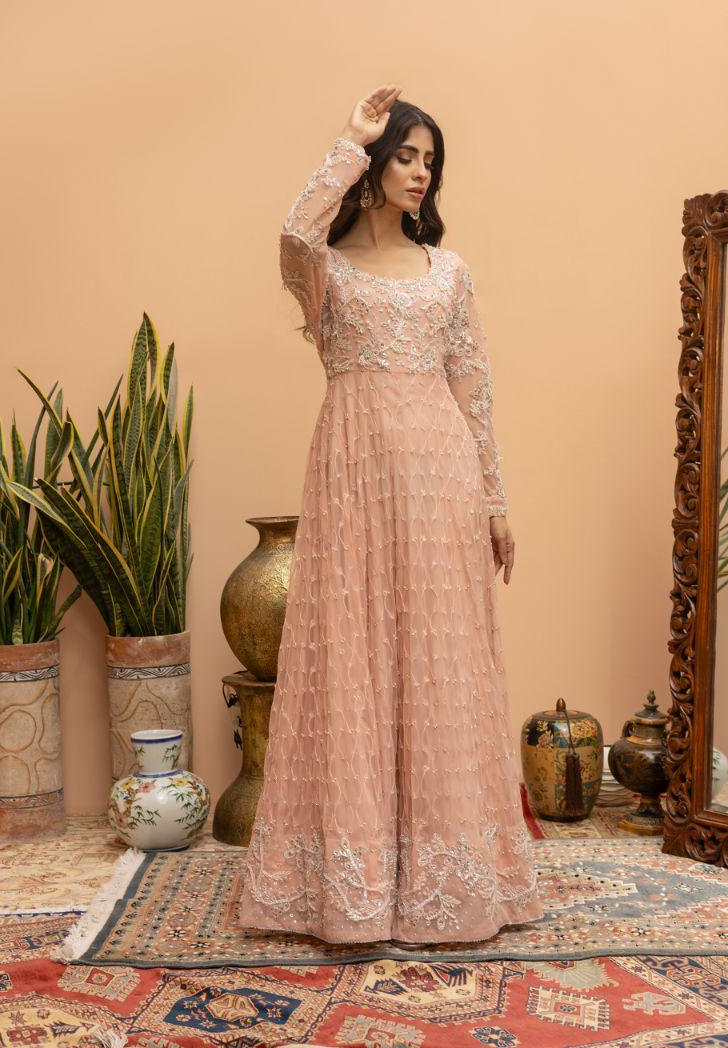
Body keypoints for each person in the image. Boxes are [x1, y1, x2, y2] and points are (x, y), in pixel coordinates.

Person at [236, 85, 544, 945]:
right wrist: (350, 140)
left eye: (429, 161)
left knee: (440, 664)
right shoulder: (325, 273)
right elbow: (294, 233)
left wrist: (495, 503)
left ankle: (450, 875)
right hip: (354, 478)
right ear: (374, 168)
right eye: (405, 156)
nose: (420, 173)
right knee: (355, 656)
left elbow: (473, 390)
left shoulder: (450, 272)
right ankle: (359, 880)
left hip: (441, 477)